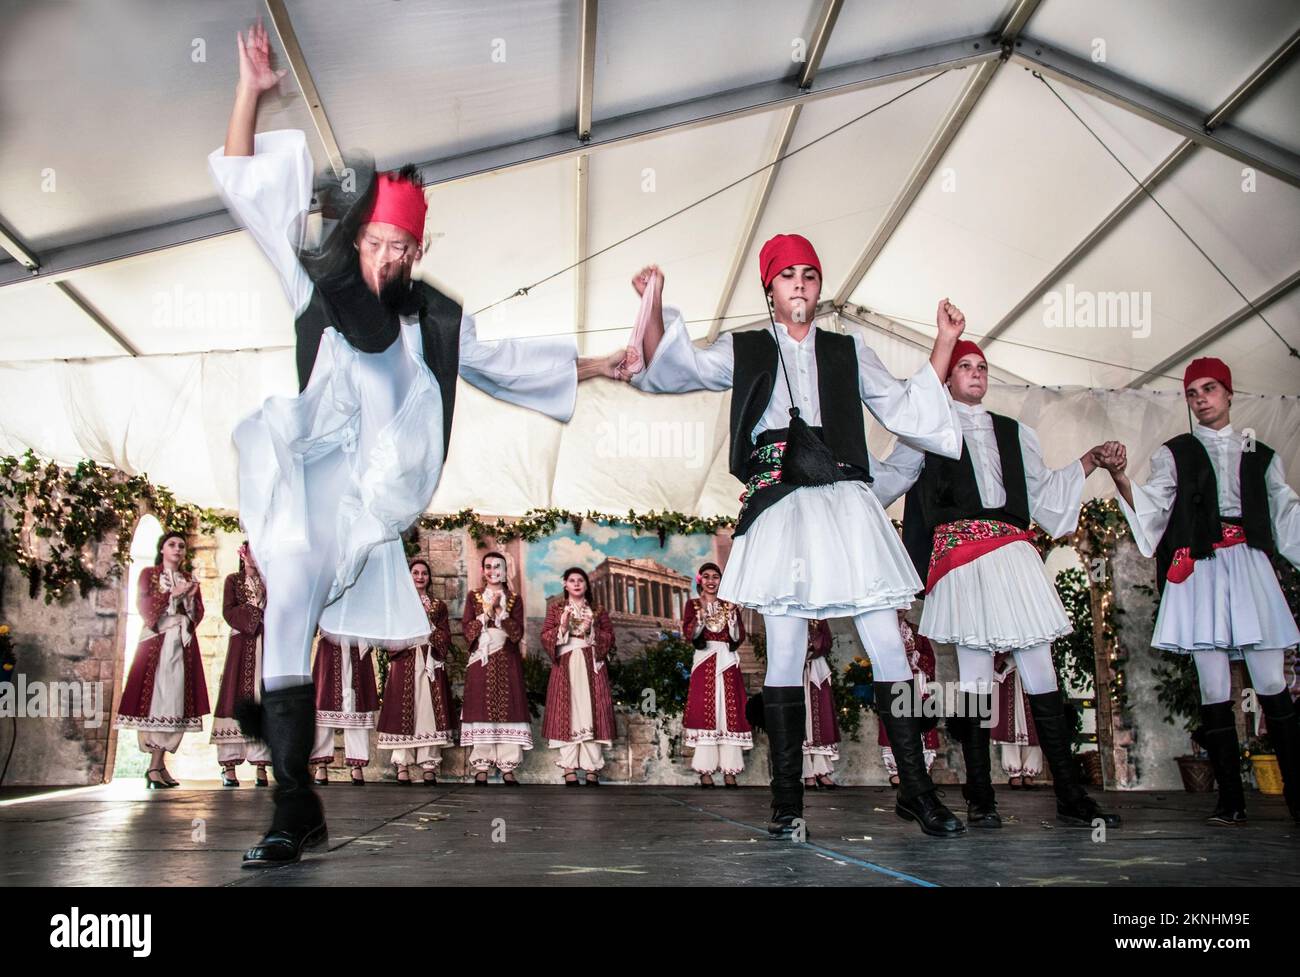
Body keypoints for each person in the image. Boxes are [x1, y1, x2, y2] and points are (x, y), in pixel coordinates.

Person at [212, 21, 619, 865]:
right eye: (375, 244)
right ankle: (295, 807)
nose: (389, 256)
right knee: (287, 611)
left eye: (402, 246)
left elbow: (509, 365)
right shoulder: (316, 287)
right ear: (356, 239)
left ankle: (276, 731)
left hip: (381, 487)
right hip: (316, 478)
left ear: (417, 247)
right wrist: (251, 90)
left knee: (296, 622)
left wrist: (605, 361)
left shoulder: (433, 321)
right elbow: (248, 193)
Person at [619, 233, 966, 838]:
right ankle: (786, 802)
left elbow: (908, 406)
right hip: (780, 502)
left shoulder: (848, 348)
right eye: (788, 276)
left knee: (887, 641)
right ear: (769, 287)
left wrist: (944, 344)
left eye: (809, 274)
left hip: (845, 501)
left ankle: (917, 790)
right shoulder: (745, 347)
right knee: (783, 650)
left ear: (818, 285)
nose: (800, 284)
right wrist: (652, 303)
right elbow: (675, 368)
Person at [870, 338, 1118, 829]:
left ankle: (1070, 795)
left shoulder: (1015, 431)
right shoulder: (926, 433)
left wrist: (1088, 461)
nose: (976, 373)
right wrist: (842, 475)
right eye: (964, 366)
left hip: (1013, 555)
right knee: (975, 683)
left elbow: (1045, 497)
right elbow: (887, 481)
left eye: (981, 366)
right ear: (946, 378)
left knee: (1041, 672)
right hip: (962, 561)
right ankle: (981, 797)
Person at [1099, 357, 1300, 826]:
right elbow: (1155, 507)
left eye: (1210, 389)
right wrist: (1121, 477)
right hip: (1203, 570)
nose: (1201, 399)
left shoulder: (1260, 452)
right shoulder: (1176, 451)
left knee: (1271, 683)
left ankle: (1297, 798)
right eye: (1193, 393)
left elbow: (1286, 513)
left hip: (1249, 567)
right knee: (1213, 687)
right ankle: (1230, 801)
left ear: (1229, 394)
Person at [115, 531, 209, 789]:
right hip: (157, 644)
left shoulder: (189, 578)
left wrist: (189, 599)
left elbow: (197, 612)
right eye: (172, 544)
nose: (177, 549)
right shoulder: (150, 574)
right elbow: (144, 605)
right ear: (162, 549)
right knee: (158, 700)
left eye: (181, 545)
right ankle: (154, 766)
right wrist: (172, 595)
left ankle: (159, 764)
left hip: (180, 645)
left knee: (175, 702)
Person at [376, 559, 457, 785]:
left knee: (427, 711)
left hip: (429, 660)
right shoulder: (399, 604)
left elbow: (445, 633)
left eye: (424, 574)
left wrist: (431, 634)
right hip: (405, 661)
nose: (420, 577)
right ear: (409, 576)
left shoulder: (438, 605)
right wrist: (407, 637)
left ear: (429, 578)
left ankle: (429, 763)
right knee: (403, 710)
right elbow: (389, 633)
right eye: (415, 573)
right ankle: (402, 763)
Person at [540, 567, 616, 785]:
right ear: (565, 584)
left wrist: (592, 630)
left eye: (580, 580)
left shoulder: (598, 611)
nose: (576, 584)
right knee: (568, 713)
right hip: (565, 665)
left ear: (586, 584)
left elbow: (610, 638)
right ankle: (569, 767)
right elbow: (545, 636)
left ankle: (592, 767)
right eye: (571, 580)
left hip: (591, 664)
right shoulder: (556, 609)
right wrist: (562, 626)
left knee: (592, 712)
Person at [460, 552, 532, 784]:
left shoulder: (514, 599)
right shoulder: (474, 597)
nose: (493, 571)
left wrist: (502, 614)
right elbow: (467, 631)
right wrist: (486, 614)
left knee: (509, 707)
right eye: (488, 567)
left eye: (497, 566)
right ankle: (482, 764)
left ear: (505, 570)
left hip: (507, 657)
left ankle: (508, 765)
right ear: (483, 571)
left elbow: (517, 633)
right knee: (481, 706)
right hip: (482, 658)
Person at [680, 563, 752, 787]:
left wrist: (731, 618)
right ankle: (706, 770)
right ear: (700, 580)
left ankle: (730, 770)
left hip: (727, 661)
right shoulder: (692, 604)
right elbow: (689, 634)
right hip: (704, 659)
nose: (711, 581)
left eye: (716, 577)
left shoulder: (729, 605)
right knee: (706, 712)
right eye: (707, 577)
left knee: (728, 712)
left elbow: (738, 636)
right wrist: (699, 618)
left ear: (721, 581)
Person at [211, 541, 270, 787]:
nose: (255, 557)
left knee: (261, 695)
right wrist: (253, 613)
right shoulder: (232, 581)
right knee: (233, 696)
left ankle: (261, 766)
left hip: (264, 644)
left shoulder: (270, 583)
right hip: (241, 643)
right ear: (242, 554)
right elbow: (228, 611)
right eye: (251, 552)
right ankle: (229, 765)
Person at [877, 611, 939, 788]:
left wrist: (915, 656)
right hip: (894, 684)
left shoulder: (916, 631)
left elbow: (929, 658)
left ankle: (922, 769)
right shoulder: (882, 631)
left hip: (917, 681)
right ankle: (896, 771)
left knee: (921, 722)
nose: (901, 610)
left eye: (905, 606)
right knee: (897, 721)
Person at [310, 630, 379, 786]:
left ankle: (357, 764)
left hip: (355, 645)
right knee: (324, 704)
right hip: (329, 646)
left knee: (356, 708)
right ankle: (321, 764)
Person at [802, 619, 840, 789]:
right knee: (803, 721)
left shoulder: (819, 616)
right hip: (796, 667)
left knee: (820, 718)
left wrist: (814, 645)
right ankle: (807, 774)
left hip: (815, 667)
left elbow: (827, 641)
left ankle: (821, 771)